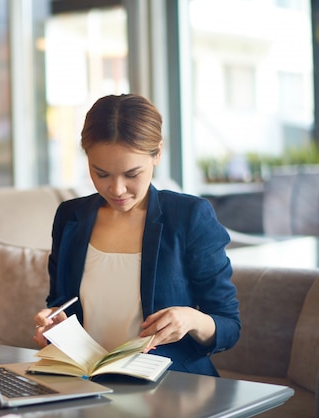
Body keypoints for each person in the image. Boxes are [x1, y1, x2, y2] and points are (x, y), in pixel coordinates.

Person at [33, 94, 240, 377]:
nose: (117, 189)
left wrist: (190, 319)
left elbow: (229, 326)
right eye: (101, 173)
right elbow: (61, 303)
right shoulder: (71, 217)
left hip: (170, 386)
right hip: (86, 381)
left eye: (132, 174)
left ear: (157, 154)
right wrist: (54, 321)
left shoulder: (189, 216)